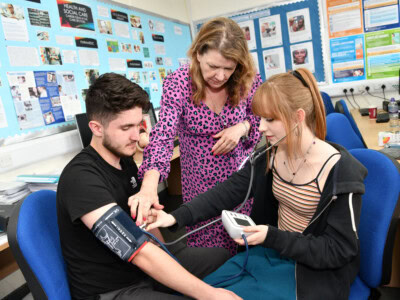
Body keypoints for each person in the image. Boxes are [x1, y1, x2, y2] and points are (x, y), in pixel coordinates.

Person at [147, 68, 368, 299]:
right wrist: (175, 217)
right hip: (271, 254)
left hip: (311, 271)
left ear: (298, 117)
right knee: (200, 293)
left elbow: (338, 250)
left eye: (270, 119)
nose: (260, 127)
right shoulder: (271, 155)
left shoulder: (341, 171)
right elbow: (227, 192)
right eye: (260, 118)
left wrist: (270, 236)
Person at [57, 73, 241, 300]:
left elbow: (143, 222)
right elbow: (137, 250)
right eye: (126, 128)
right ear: (96, 128)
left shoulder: (124, 160)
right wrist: (209, 294)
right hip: (114, 289)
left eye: (139, 125)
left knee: (222, 258)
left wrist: (170, 258)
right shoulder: (81, 178)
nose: (137, 136)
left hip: (142, 267)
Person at [131, 17, 262, 255]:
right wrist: (149, 185)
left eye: (229, 68)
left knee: (247, 248)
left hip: (241, 183)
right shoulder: (179, 83)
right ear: (198, 54)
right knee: (209, 256)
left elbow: (261, 118)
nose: (221, 76)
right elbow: (163, 134)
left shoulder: (248, 80)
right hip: (200, 187)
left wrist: (242, 127)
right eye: (213, 66)